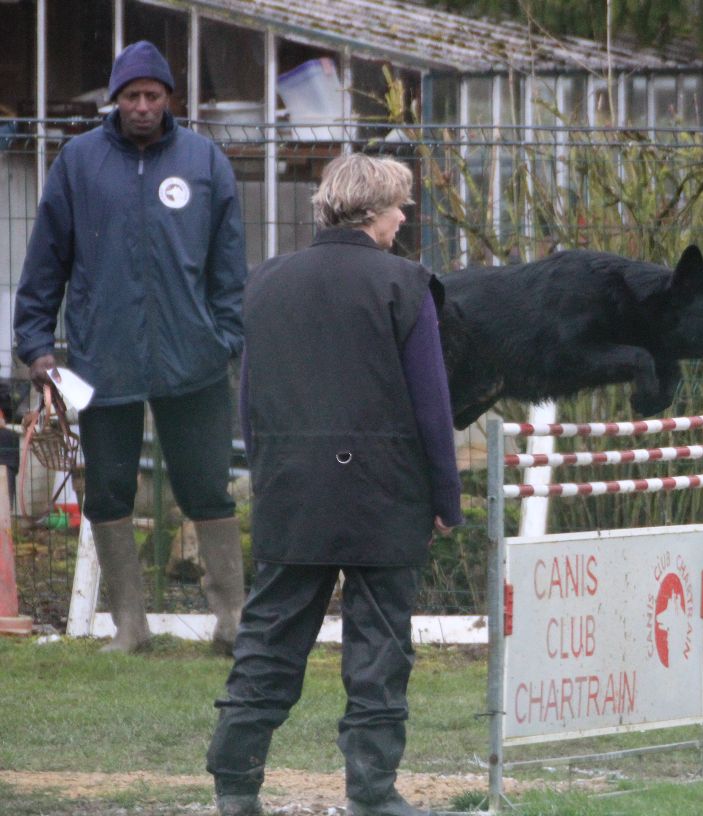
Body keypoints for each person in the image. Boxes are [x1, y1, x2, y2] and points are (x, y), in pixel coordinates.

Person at [205, 153, 463, 816]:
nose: (404, 217)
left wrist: (268, 472)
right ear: (373, 211)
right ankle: (372, 793)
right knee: (379, 649)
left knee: (269, 639)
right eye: (399, 206)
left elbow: (251, 397)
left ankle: (236, 783)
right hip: (385, 491)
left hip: (291, 487)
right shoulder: (406, 284)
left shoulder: (266, 282)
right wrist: (445, 497)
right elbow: (432, 405)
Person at [14, 41, 248, 654]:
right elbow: (46, 260)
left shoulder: (204, 160)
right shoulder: (78, 162)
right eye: (131, 96)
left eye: (153, 95)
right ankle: (130, 629)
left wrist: (225, 338)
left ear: (169, 97)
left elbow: (229, 265)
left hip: (194, 361)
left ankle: (233, 624)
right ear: (115, 100)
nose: (142, 106)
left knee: (208, 490)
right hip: (103, 361)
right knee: (109, 492)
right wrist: (36, 344)